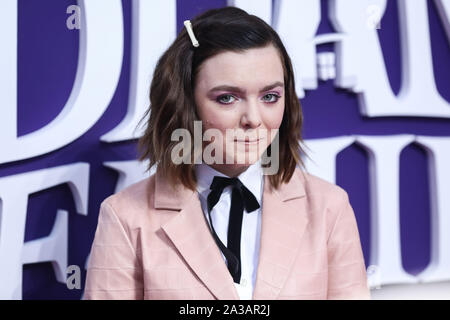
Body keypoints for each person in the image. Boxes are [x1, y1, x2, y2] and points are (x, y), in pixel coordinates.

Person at [83, 6, 370, 300]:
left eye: (270, 96)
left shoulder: (329, 208)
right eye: (227, 98)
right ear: (184, 104)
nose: (253, 119)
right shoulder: (125, 217)